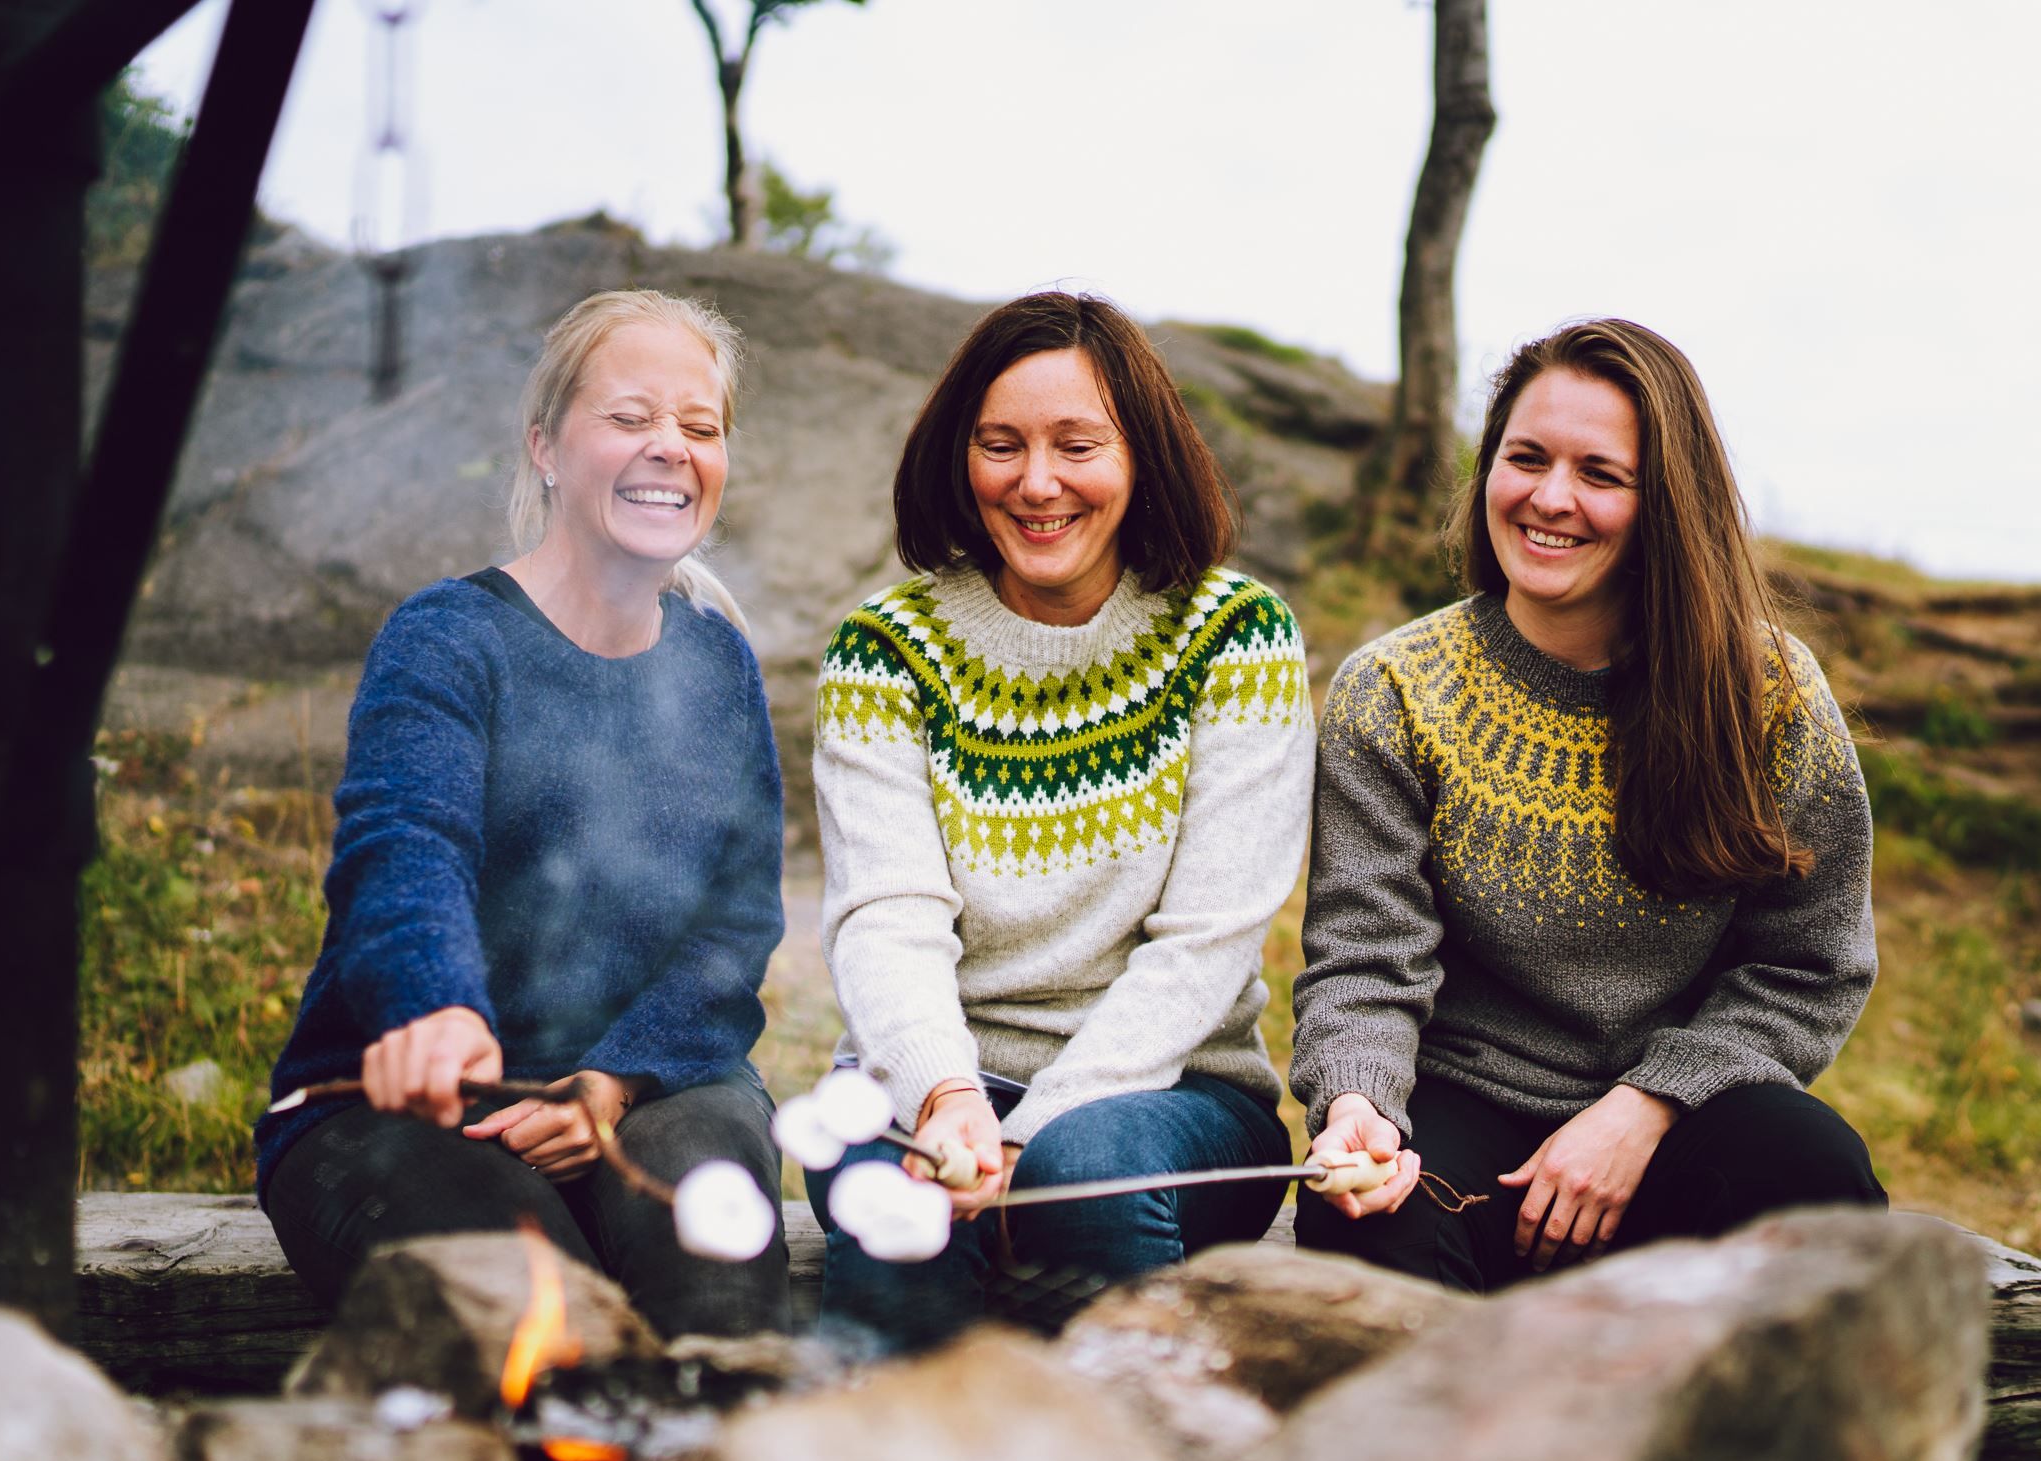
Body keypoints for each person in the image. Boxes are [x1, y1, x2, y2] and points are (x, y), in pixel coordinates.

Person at [1289, 318, 1885, 1292]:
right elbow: (1365, 960)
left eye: (1599, 474)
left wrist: (1648, 1104)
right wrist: (1359, 1106)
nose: (1549, 498)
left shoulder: (1763, 690)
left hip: (1682, 1120)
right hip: (1461, 1113)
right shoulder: (1393, 690)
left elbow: (1808, 965)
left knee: (1809, 1171)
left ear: (1663, 502)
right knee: (1362, 1225)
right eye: (1525, 459)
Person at [256, 289, 790, 1337]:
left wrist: (612, 1084)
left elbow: (735, 925)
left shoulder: (716, 664)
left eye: (699, 427)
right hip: (415, 1104)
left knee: (715, 1285)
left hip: (656, 1086)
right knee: (541, 1322)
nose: (669, 449)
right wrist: (435, 1006)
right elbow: (404, 843)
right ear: (546, 447)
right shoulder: (451, 637)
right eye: (629, 418)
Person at [808, 291, 1314, 1347]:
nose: (1036, 483)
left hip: (1173, 1099)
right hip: (927, 1086)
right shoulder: (885, 651)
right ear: (961, 457)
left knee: (1083, 1172)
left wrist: (1026, 1139)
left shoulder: (1234, 638)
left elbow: (1208, 942)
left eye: (1076, 444)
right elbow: (885, 915)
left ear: (1140, 459)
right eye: (1001, 445)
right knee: (894, 1218)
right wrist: (945, 1098)